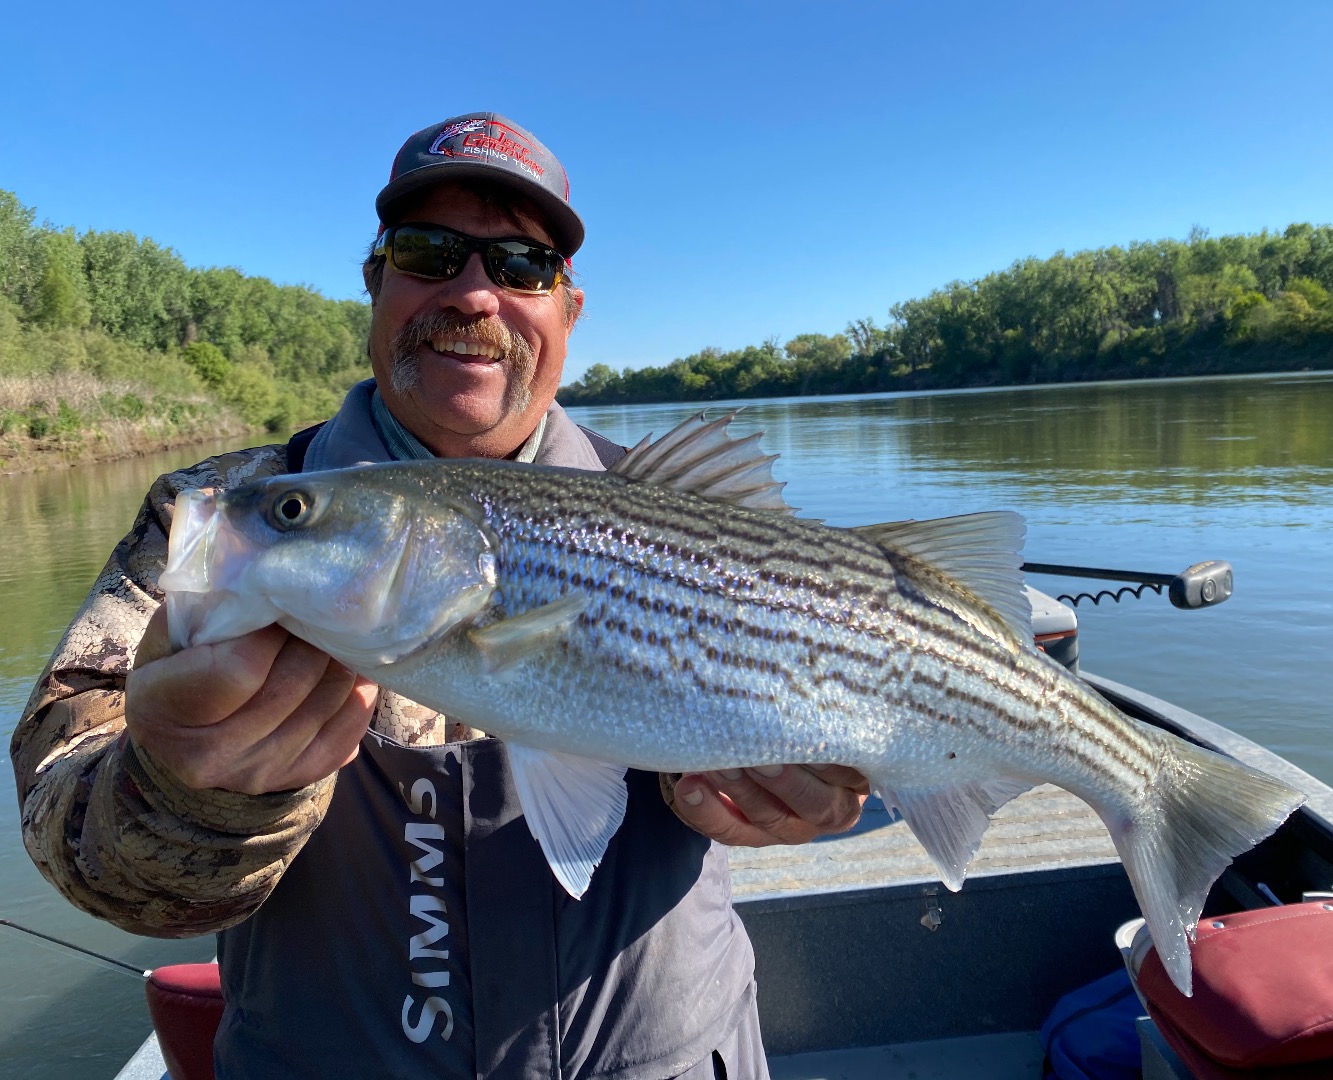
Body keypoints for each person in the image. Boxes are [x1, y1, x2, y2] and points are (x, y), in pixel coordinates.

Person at [11, 112, 869, 1079]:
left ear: (569, 311)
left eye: (522, 265)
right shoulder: (221, 518)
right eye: (429, 252)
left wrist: (808, 787)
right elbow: (64, 822)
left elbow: (843, 736)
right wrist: (182, 795)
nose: (475, 292)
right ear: (376, 279)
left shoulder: (682, 517)